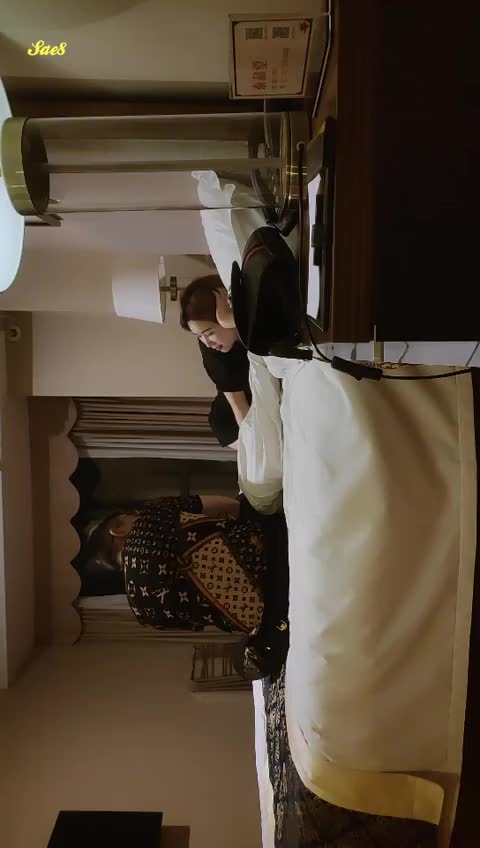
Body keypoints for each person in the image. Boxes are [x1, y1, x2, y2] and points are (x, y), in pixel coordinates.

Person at [87, 492, 289, 678]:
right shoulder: (150, 515)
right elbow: (227, 506)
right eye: (130, 515)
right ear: (118, 530)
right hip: (274, 557)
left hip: (274, 615)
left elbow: (202, 620)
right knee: (251, 501)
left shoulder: (143, 611)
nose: (136, 515)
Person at [179, 275, 250, 450]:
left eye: (209, 333)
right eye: (199, 337)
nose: (207, 343)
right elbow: (239, 408)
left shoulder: (238, 320)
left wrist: (229, 318)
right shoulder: (216, 358)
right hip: (231, 421)